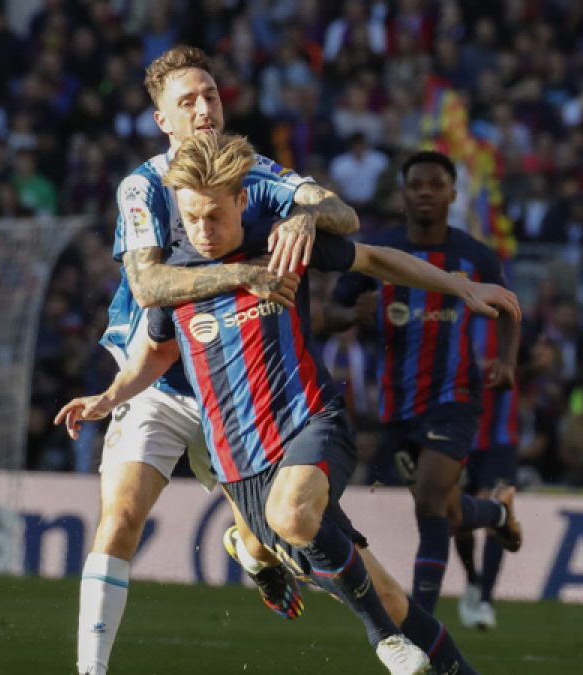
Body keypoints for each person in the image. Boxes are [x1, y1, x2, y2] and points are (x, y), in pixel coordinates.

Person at [60, 133, 521, 675]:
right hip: (240, 465)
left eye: (214, 215)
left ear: (240, 199)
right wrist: (108, 397)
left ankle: (383, 644)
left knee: (293, 515)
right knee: (392, 598)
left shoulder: (279, 241)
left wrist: (457, 286)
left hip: (309, 422)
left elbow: (371, 258)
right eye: (189, 218)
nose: (202, 231)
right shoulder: (174, 278)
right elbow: (156, 354)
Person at [77, 46, 363, 675]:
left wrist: (306, 220)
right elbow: (150, 286)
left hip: (232, 382)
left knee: (267, 537)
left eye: (210, 95)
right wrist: (246, 276)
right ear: (161, 120)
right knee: (120, 518)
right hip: (154, 373)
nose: (205, 108)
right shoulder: (142, 185)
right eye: (187, 101)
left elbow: (345, 213)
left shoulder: (252, 169)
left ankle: (253, 553)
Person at [328, 151, 524, 615]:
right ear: (404, 194)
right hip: (397, 405)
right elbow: (330, 311)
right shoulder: (378, 251)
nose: (425, 193)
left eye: (436, 185)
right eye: (416, 185)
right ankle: (496, 512)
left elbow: (510, 306)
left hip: (454, 395)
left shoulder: (472, 256)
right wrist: (350, 315)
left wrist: (507, 360)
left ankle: (422, 628)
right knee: (446, 509)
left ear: (453, 194)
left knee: (431, 503)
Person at [453, 311, 520, 630]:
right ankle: (474, 580)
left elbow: (534, 364)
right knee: (459, 520)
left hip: (499, 440)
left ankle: (485, 600)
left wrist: (538, 364)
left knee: (496, 512)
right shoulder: (454, 314)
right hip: (461, 432)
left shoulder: (516, 321)